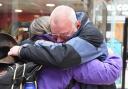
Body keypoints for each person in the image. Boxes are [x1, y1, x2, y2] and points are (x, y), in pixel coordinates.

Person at [8, 5, 122, 89]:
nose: (58, 41)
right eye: (54, 35)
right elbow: (111, 72)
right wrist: (113, 56)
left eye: (64, 35)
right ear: (49, 31)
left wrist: (21, 50)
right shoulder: (66, 60)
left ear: (77, 25)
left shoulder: (90, 36)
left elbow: (64, 56)